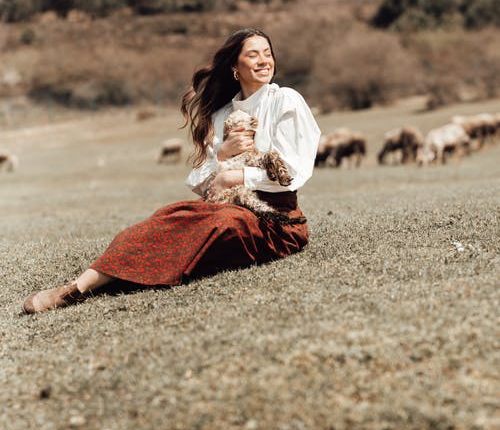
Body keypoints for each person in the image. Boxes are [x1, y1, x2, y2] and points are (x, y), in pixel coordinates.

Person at [22, 28, 321, 314]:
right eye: (253, 55)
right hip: (225, 206)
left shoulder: (285, 100)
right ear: (234, 67)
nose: (263, 60)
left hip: (276, 224)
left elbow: (294, 170)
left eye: (267, 53)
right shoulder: (222, 116)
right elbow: (206, 186)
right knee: (168, 216)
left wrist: (237, 176)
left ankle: (101, 283)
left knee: (216, 225)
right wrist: (223, 155)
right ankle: (79, 286)